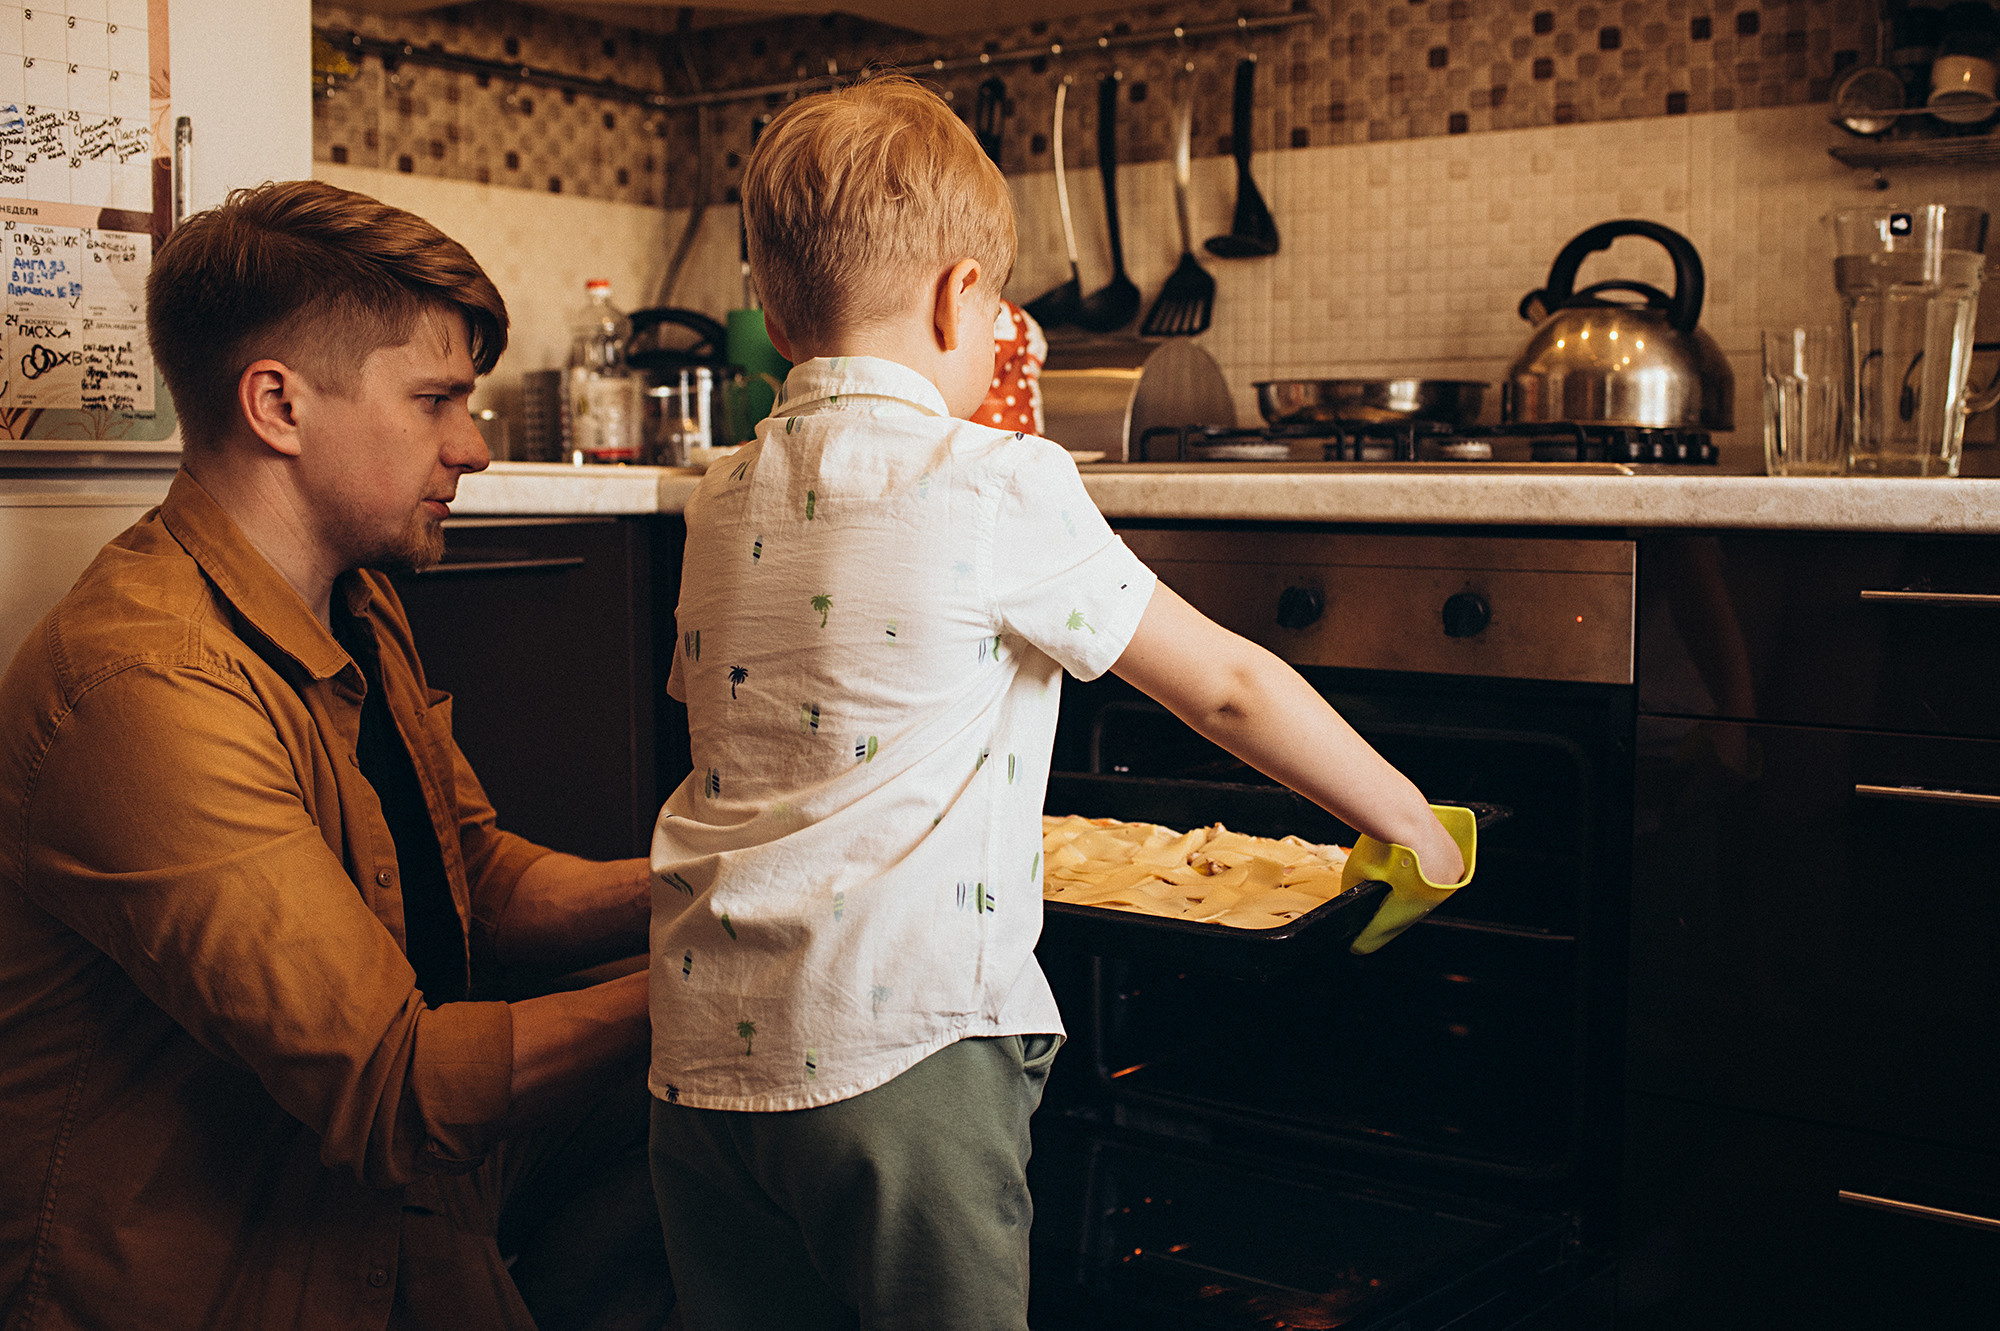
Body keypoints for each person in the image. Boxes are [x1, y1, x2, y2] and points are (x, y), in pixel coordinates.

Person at [646, 76, 1472, 1331]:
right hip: (901, 1056)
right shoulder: (995, 481)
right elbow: (1230, 690)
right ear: (955, 295)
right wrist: (1403, 814)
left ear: (766, 300)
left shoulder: (713, 494)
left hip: (699, 1060)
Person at [0, 180, 673, 1331]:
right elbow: (398, 1087)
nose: (469, 445)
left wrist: (722, 890)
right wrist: (734, 985)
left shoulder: (351, 594)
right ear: (279, 404)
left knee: (727, 1108)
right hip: (232, 1268)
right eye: (435, 401)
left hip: (370, 1201)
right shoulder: (146, 683)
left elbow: (479, 877)